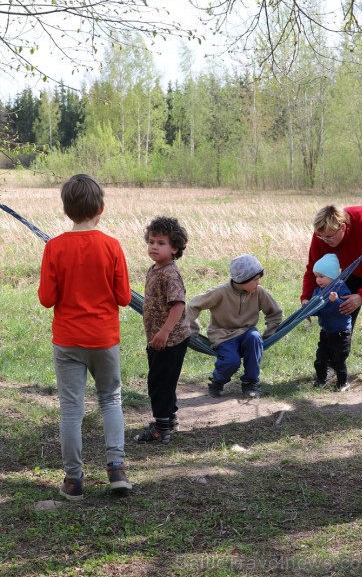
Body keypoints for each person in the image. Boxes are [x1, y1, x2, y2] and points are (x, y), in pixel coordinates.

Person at [38, 174, 132, 500]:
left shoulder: (54, 247)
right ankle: (117, 468)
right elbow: (123, 297)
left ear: (66, 210)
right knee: (110, 400)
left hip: (67, 340)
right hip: (104, 338)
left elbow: (47, 299)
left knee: (71, 410)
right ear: (101, 208)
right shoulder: (112, 246)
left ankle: (73, 480)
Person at [301, 205, 362, 375]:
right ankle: (336, 360)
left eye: (329, 237)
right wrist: (307, 299)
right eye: (321, 237)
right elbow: (313, 268)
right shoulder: (323, 234)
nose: (325, 241)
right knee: (344, 307)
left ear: (343, 227)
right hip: (354, 265)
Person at [187, 254, 282, 398]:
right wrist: (192, 330)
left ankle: (250, 383)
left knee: (255, 338)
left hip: (247, 332)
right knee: (231, 361)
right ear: (243, 279)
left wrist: (269, 333)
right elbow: (194, 305)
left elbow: (274, 312)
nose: (258, 283)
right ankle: (218, 380)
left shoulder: (259, 292)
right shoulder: (220, 292)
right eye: (255, 280)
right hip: (223, 335)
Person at [134, 216, 190, 444]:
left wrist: (165, 332)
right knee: (165, 380)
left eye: (161, 243)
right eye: (151, 241)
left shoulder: (169, 273)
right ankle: (170, 418)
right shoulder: (155, 269)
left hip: (170, 339)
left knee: (159, 382)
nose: (154, 246)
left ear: (174, 247)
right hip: (159, 338)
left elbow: (178, 305)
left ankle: (160, 428)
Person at [310, 253, 352, 392]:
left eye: (322, 276)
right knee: (320, 359)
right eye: (316, 277)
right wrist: (308, 310)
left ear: (332, 276)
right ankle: (321, 379)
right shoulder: (318, 291)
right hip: (326, 332)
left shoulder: (341, 288)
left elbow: (346, 308)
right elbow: (317, 309)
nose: (318, 280)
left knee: (338, 361)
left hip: (341, 333)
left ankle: (343, 382)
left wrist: (337, 301)